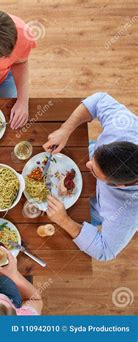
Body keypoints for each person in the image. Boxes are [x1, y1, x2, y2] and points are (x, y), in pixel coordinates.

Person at [43, 92, 138, 261]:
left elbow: (105, 251)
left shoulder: (127, 211)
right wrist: (65, 130)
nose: (87, 165)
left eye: (93, 171)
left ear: (119, 185)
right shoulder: (124, 128)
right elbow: (99, 100)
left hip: (94, 207)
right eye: (93, 160)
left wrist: (65, 221)